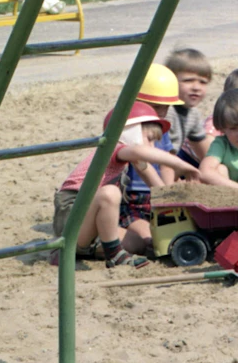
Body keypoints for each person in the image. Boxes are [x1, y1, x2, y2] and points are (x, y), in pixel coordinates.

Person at [55, 64, 199, 265]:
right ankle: (104, 254)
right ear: (130, 133)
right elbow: (140, 151)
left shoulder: (134, 157)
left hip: (90, 221)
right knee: (110, 193)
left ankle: (89, 250)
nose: (151, 146)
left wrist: (175, 203)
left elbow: (159, 188)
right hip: (73, 213)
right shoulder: (116, 147)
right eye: (148, 139)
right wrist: (183, 166)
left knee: (139, 242)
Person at [162, 46, 214, 164]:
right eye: (188, 80)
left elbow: (203, 149)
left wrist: (213, 166)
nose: (196, 87)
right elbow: (161, 153)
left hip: (171, 163)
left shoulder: (193, 113)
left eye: (203, 82)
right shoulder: (166, 110)